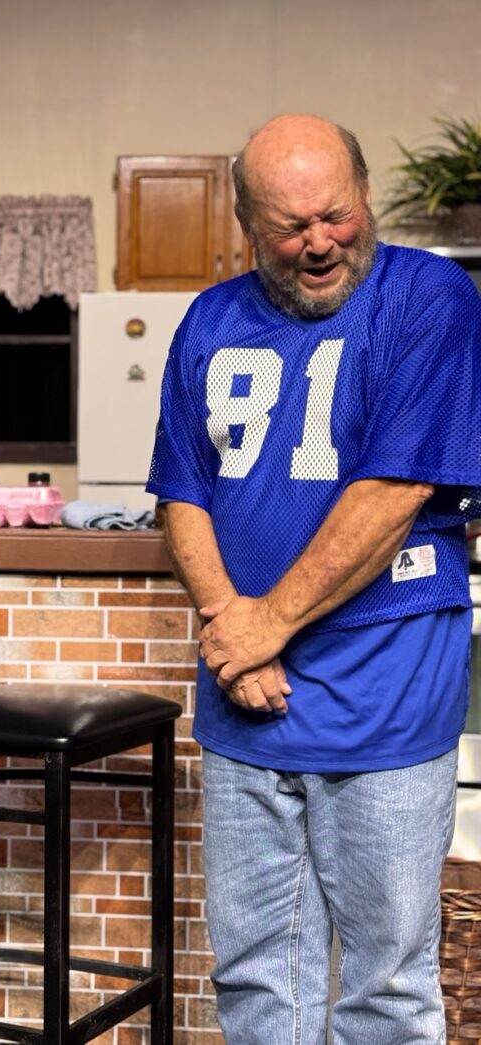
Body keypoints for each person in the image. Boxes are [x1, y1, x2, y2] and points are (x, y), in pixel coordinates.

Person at [147, 113, 481, 1045]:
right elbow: (183, 492)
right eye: (290, 228)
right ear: (247, 224)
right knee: (256, 977)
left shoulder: (431, 298)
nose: (320, 242)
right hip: (243, 702)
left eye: (336, 214)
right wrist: (229, 630)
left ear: (364, 196)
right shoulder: (210, 317)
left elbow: (394, 491)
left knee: (385, 987)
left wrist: (261, 627)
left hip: (384, 693)